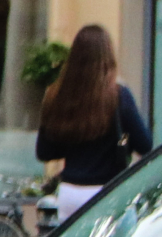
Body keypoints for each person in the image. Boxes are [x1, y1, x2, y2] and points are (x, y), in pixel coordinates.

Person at [37, 25, 153, 223]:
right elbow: (145, 144)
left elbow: (44, 152)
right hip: (108, 192)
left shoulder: (56, 96)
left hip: (69, 194)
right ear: (108, 57)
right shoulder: (118, 96)